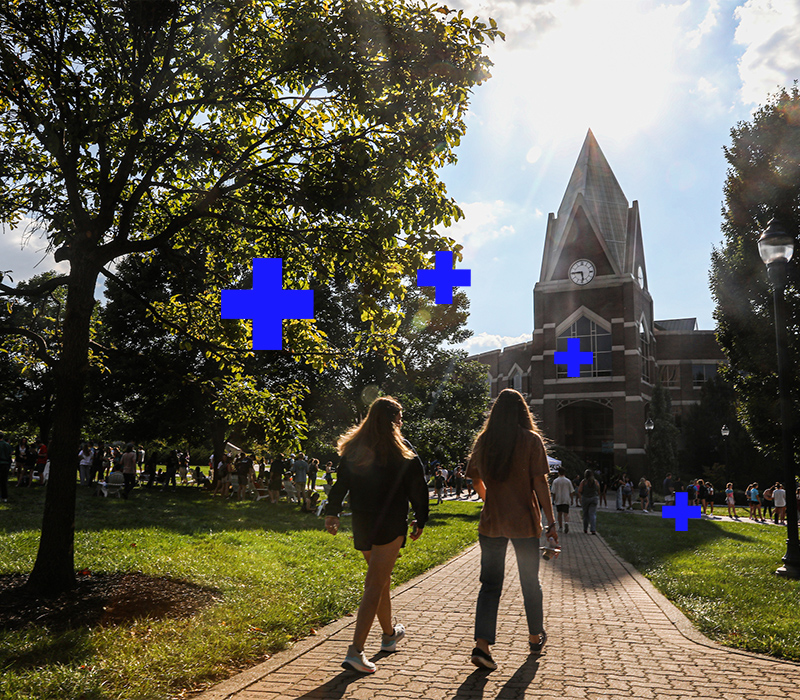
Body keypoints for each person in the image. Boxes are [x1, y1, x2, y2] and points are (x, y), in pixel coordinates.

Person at [324, 396, 428, 674]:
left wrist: (332, 512)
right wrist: (421, 518)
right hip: (390, 523)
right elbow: (418, 486)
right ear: (394, 420)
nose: (402, 423)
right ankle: (355, 651)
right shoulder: (402, 450)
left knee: (381, 581)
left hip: (362, 522)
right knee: (374, 584)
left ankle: (389, 635)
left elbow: (340, 483)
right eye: (400, 418)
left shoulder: (355, 448)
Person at [466, 388, 557, 671]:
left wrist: (489, 499)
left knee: (490, 585)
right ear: (522, 411)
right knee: (530, 582)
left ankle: (482, 645)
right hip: (525, 523)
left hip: (492, 522)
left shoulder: (484, 440)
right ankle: (534, 636)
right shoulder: (531, 440)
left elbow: (475, 480)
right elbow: (540, 483)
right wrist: (552, 523)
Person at [551, 467, 574, 533]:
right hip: (566, 499)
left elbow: (553, 492)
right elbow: (571, 491)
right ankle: (566, 522)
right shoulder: (568, 481)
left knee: (559, 513)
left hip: (559, 499)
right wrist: (572, 499)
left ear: (558, 472)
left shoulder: (555, 481)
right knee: (566, 513)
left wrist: (553, 500)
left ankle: (560, 527)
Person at [578, 469, 600, 534]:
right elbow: (598, 490)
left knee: (585, 514)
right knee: (592, 514)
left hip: (585, 498)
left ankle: (585, 528)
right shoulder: (595, 481)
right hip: (594, 498)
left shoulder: (583, 482)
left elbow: (579, 490)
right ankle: (593, 529)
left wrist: (580, 498)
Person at [0, 433, 12, 502]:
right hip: (5, 464)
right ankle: (4, 497)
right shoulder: (7, 445)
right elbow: (10, 453)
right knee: (4, 481)